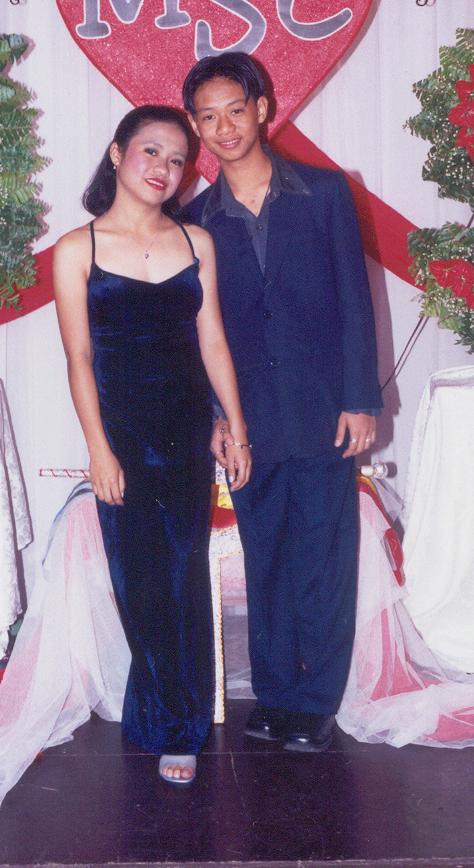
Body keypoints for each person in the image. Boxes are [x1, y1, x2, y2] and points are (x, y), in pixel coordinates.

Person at [182, 54, 382, 752]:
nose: (224, 127)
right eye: (208, 117)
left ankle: (317, 699)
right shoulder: (195, 219)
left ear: (262, 108)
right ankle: (274, 693)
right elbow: (199, 331)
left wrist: (361, 398)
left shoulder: (324, 192)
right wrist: (216, 417)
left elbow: (356, 301)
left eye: (235, 110)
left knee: (324, 553)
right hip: (248, 419)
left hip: (325, 408)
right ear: (195, 126)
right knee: (264, 553)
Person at [53, 105, 251, 785]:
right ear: (117, 154)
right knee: (139, 585)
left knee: (182, 576)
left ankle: (176, 729)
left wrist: (235, 425)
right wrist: (98, 449)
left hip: (187, 430)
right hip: (124, 437)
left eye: (177, 159)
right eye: (150, 151)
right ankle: (160, 713)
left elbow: (213, 339)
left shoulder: (197, 242)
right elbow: (79, 358)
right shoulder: (77, 249)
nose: (164, 168)